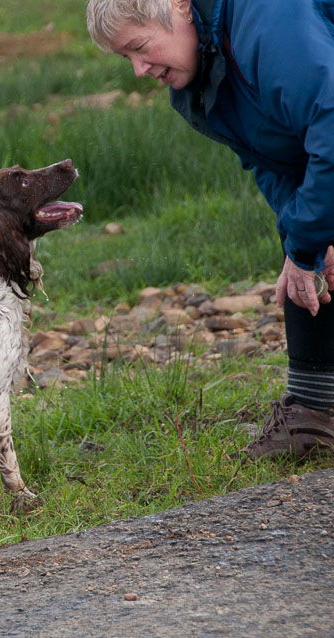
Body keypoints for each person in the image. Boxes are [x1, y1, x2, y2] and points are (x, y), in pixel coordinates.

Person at [86, 0, 334, 460]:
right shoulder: (201, 82)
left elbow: (332, 125)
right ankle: (314, 414)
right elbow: (276, 161)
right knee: (305, 228)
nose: (139, 70)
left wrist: (307, 245)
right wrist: (311, 241)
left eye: (140, 47)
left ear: (179, 7)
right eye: (126, 59)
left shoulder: (269, 23)